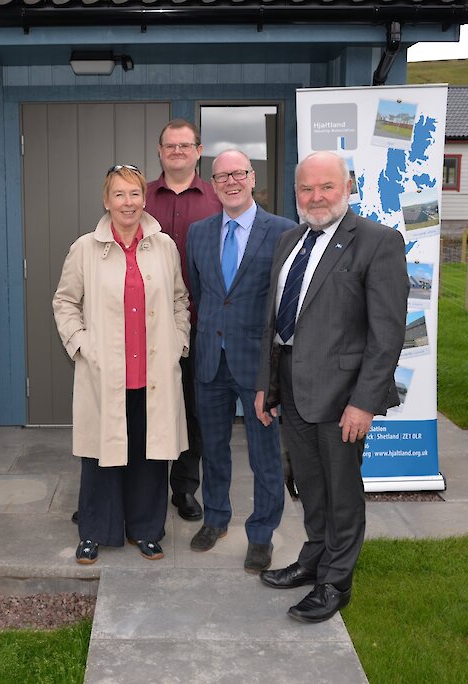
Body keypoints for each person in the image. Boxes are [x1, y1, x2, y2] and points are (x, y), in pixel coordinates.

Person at [254, 151, 408, 623]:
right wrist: (267, 386)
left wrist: (363, 403)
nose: (315, 196)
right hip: (295, 391)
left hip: (343, 398)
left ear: (348, 187)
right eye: (306, 188)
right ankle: (314, 558)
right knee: (310, 486)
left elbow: (387, 335)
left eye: (326, 186)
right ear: (295, 192)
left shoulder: (378, 242)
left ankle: (336, 583)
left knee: (341, 492)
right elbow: (275, 325)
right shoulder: (288, 241)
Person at [53, 164, 190, 564]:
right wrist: (80, 344)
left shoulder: (163, 246)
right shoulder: (85, 248)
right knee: (101, 455)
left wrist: (178, 341)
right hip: (104, 371)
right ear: (106, 200)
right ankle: (96, 531)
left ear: (144, 199)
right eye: (119, 194)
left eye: (134, 194)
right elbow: (65, 301)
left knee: (149, 456)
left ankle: (147, 530)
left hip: (154, 372)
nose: (128, 203)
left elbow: (180, 299)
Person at [185, 149, 296, 573]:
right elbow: (202, 293)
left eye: (238, 174)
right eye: (221, 176)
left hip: (258, 366)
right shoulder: (198, 233)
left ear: (253, 178)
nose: (230, 182)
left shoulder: (283, 231)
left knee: (264, 452)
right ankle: (216, 519)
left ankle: (262, 534)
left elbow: (286, 303)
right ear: (212, 185)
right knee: (212, 448)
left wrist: (275, 368)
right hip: (210, 361)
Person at [146, 118, 222, 522]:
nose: (177, 152)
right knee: (147, 408)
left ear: (198, 150)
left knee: (195, 411)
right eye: (169, 146)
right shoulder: (138, 198)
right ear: (159, 151)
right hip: (147, 328)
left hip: (202, 324)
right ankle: (145, 489)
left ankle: (185, 489)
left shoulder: (216, 200)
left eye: (184, 146)